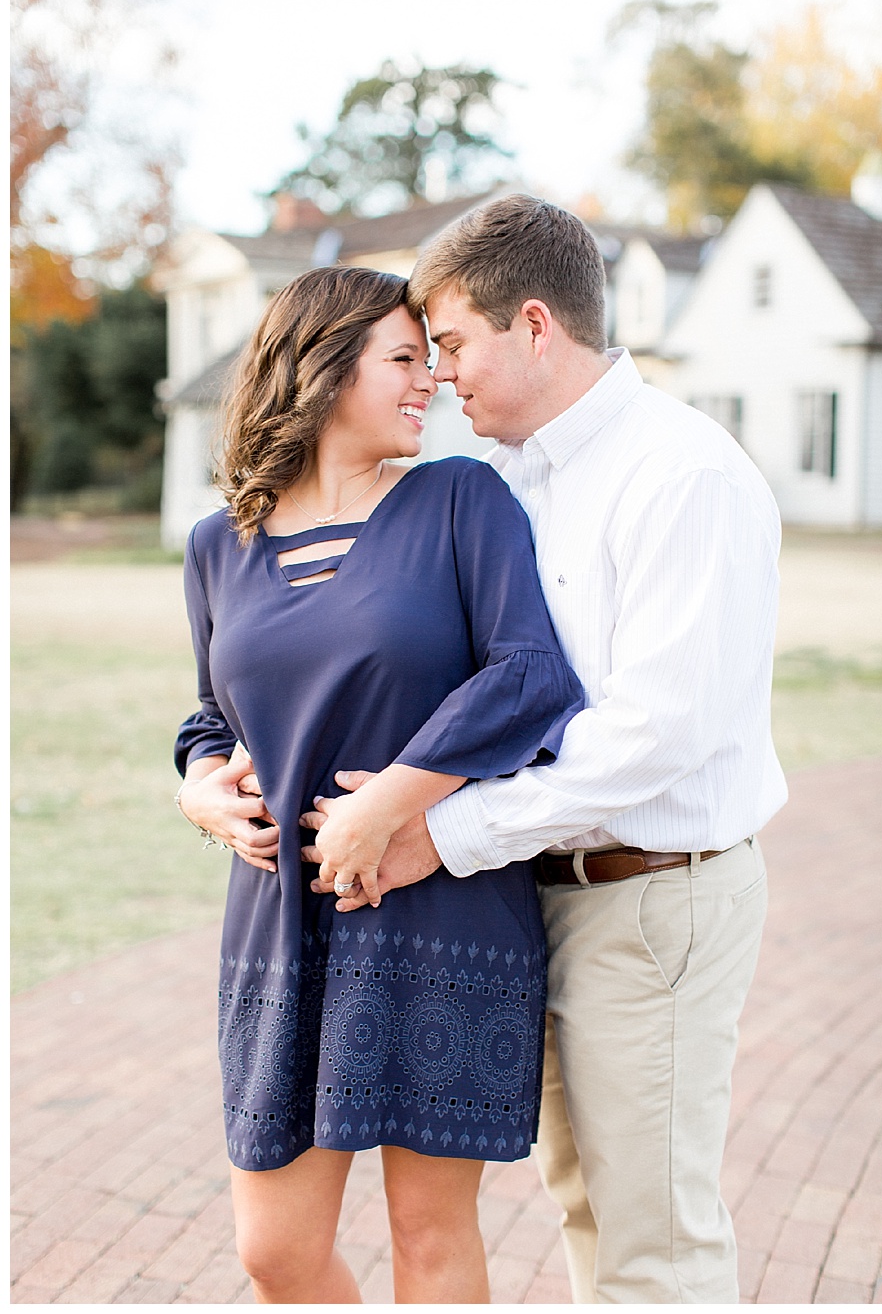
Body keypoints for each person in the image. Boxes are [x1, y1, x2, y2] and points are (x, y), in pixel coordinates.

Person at [301, 194, 789, 1302]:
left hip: (652, 897)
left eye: (452, 344)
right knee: (588, 1210)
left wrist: (440, 831)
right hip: (545, 892)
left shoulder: (682, 474)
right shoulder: (514, 478)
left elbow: (654, 736)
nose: (439, 376)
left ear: (533, 324)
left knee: (655, 1242)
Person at [174, 265, 586, 1303]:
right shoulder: (219, 545)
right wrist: (199, 786)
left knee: (428, 1234)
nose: (430, 380)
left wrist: (388, 802)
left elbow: (530, 675)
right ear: (323, 368)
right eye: (405, 358)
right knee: (274, 1249)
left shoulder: (461, 501)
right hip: (279, 923)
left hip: (438, 912)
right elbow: (213, 714)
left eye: (431, 358)